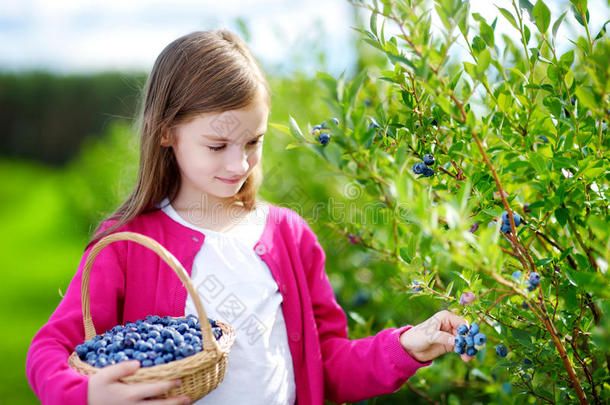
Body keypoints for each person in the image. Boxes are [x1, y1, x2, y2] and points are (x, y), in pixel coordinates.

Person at [25, 30, 472, 405]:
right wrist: (83, 394)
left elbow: (326, 364)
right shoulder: (128, 244)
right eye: (218, 146)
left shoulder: (288, 235)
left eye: (253, 142)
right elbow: (50, 349)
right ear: (166, 132)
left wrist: (408, 345)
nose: (239, 164)